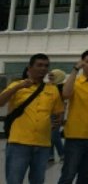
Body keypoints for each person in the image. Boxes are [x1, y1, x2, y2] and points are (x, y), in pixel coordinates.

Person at [1, 53, 65, 184]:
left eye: (46, 66)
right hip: (19, 143)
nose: (43, 69)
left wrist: (57, 122)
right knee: (14, 180)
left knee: (38, 180)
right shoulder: (17, 85)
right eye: (39, 65)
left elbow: (59, 110)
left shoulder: (52, 89)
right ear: (29, 68)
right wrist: (18, 87)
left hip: (42, 145)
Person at [59, 49, 88, 184]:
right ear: (82, 63)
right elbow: (65, 94)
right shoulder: (75, 82)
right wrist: (74, 70)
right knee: (68, 174)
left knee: (85, 175)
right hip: (74, 137)